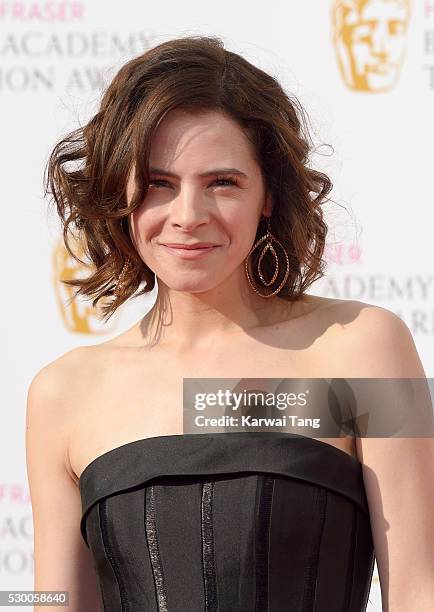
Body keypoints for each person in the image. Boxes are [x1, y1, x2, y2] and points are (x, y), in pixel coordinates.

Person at [25, 35, 433, 611]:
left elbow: (420, 589)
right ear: (121, 192)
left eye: (222, 182)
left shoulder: (364, 349)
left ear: (268, 193)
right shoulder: (63, 394)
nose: (188, 216)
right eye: (159, 184)